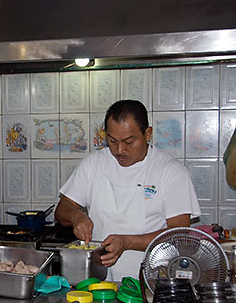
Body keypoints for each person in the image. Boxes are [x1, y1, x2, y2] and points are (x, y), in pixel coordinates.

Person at [55, 100, 200, 281]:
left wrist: (128, 242)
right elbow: (62, 210)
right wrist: (76, 216)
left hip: (149, 281)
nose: (119, 150)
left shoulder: (170, 171)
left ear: (147, 134)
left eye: (129, 142)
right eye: (112, 141)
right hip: (96, 282)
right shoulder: (93, 163)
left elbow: (178, 233)